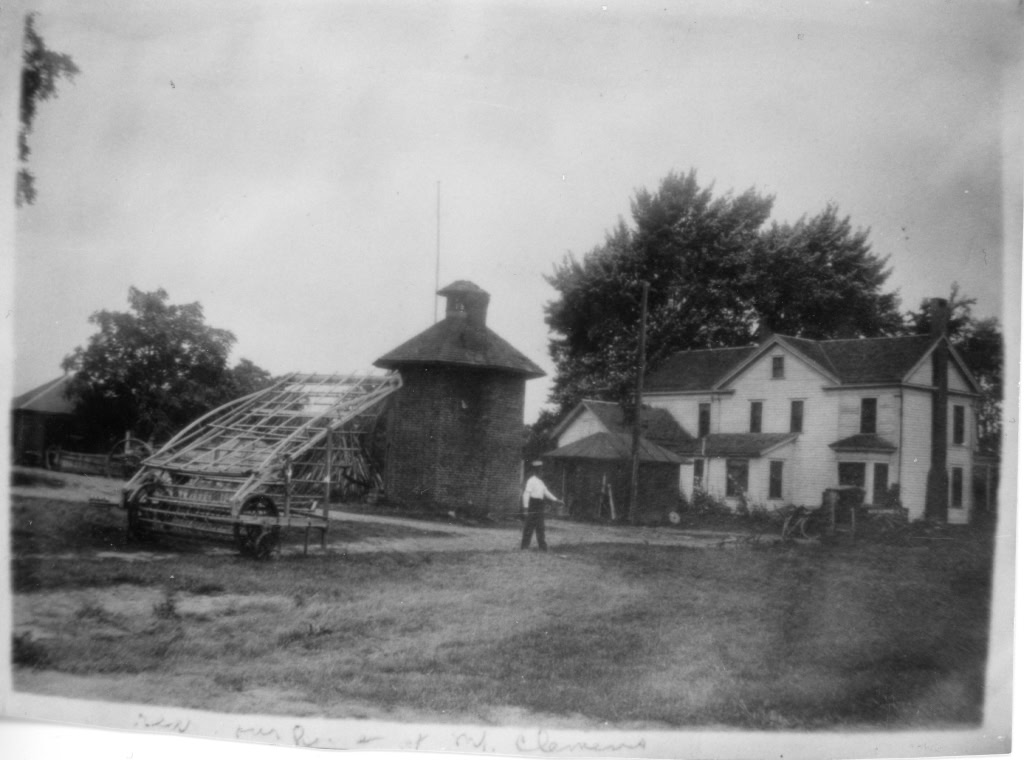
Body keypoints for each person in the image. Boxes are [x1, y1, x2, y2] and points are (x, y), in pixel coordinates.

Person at [521, 460, 561, 551]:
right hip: (532, 504)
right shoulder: (531, 481)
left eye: (541, 470)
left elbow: (546, 492)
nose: (541, 472)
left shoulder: (540, 482)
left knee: (540, 527)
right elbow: (526, 494)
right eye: (539, 470)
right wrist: (526, 508)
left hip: (539, 505)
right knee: (529, 527)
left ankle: (542, 547)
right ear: (535, 471)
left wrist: (556, 500)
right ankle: (524, 547)